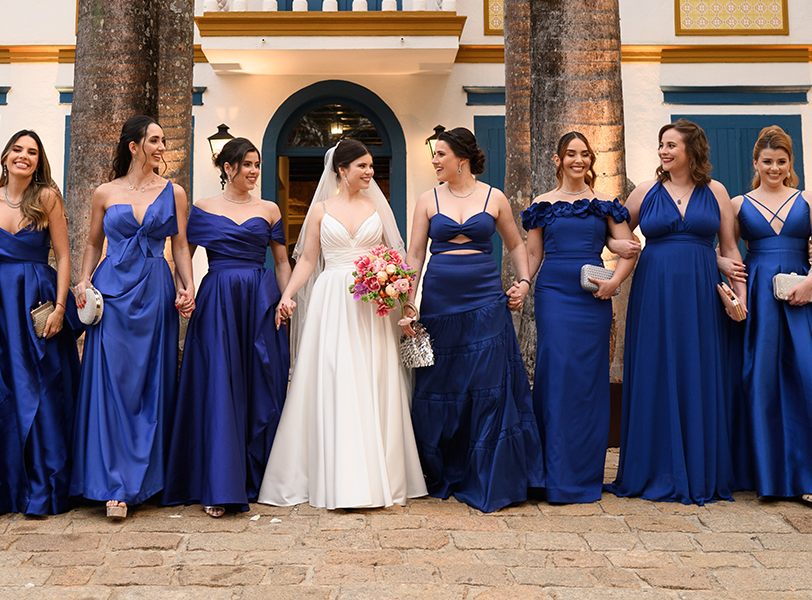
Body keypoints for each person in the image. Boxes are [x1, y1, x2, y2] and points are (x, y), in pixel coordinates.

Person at [257, 139, 426, 509]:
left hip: (371, 305)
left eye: (371, 166)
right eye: (362, 166)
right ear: (342, 169)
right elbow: (306, 261)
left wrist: (404, 301)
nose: (370, 172)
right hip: (332, 298)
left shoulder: (377, 208)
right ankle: (333, 473)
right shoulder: (320, 210)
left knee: (372, 376)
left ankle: (377, 474)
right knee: (333, 376)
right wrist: (288, 295)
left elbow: (395, 259)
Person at [399, 126, 542, 512]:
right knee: (442, 380)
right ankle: (444, 467)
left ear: (461, 158)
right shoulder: (427, 200)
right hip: (440, 300)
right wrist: (408, 303)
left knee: (488, 382)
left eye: (440, 154)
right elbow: (414, 254)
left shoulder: (494, 197)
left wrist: (524, 282)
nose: (434, 161)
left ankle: (490, 472)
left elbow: (516, 244)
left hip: (486, 298)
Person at [607, 120, 748, 504]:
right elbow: (613, 228)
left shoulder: (715, 191)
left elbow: (731, 248)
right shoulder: (646, 191)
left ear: (692, 150)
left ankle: (701, 468)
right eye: (661, 145)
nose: (663, 152)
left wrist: (741, 296)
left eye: (671, 145)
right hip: (654, 289)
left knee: (697, 370)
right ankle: (654, 468)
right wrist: (617, 247)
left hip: (702, 291)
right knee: (656, 369)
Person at [70, 116, 196, 519]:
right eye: (155, 140)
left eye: (163, 140)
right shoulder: (104, 192)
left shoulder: (174, 192)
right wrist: (83, 280)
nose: (162, 146)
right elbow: (92, 243)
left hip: (154, 291)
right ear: (134, 146)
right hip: (111, 293)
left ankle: (145, 480)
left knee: (149, 382)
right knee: (111, 384)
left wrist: (186, 286)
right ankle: (112, 484)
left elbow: (180, 247)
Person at [0, 129, 79, 522]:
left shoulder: (47, 199)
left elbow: (63, 255)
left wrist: (60, 307)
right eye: (17, 150)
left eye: (32, 152)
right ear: (6, 157)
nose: (23, 156)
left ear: (38, 161)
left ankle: (40, 490)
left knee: (39, 389)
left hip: (36, 300)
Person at [164, 137, 291, 516]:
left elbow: (282, 262)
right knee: (219, 383)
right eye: (247, 164)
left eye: (257, 164)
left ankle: (256, 476)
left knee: (258, 380)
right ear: (228, 167)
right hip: (217, 298)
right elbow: (183, 253)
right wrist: (184, 290)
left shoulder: (269, 209)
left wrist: (286, 300)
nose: (254, 171)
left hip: (259, 300)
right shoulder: (202, 207)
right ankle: (220, 484)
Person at [520, 131, 642, 504]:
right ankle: (551, 475)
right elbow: (534, 253)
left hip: (593, 297)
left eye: (584, 154)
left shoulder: (606, 203)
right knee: (556, 374)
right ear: (557, 159)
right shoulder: (543, 203)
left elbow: (630, 249)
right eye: (570, 154)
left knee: (588, 380)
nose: (578, 160)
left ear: (591, 160)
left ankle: (583, 475)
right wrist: (523, 284)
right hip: (553, 294)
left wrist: (615, 282)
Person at [732, 126, 812, 504]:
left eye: (781, 161)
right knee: (761, 380)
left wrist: (811, 282)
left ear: (791, 163)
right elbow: (720, 249)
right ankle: (770, 478)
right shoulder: (737, 204)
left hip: (803, 296)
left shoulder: (808, 199)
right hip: (759, 294)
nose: (774, 168)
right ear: (755, 163)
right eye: (767, 161)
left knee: (805, 378)